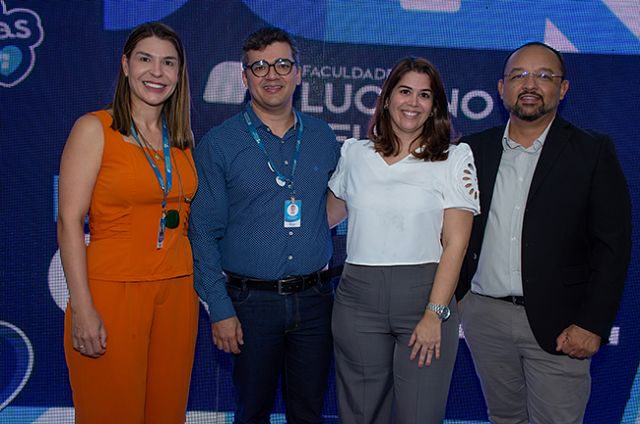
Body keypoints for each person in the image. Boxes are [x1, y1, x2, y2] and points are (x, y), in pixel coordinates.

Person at [456, 42, 632, 424]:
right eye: (519, 75)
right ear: (501, 88)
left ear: (562, 89)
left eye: (544, 76)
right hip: (484, 317)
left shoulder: (592, 151)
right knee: (504, 418)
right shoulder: (472, 150)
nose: (530, 84)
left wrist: (592, 323)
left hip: (562, 324)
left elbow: (613, 246)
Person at [189, 27, 340, 423]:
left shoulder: (323, 138)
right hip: (249, 305)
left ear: (298, 73)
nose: (271, 75)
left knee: (309, 413)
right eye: (259, 67)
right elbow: (202, 233)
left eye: (282, 64)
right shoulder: (219, 144)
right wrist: (219, 308)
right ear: (245, 77)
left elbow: (339, 201)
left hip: (315, 302)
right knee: (251, 412)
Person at [58, 22, 198, 423]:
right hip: (112, 294)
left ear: (179, 73)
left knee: (167, 414)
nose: (157, 72)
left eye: (168, 62)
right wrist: (83, 308)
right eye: (145, 59)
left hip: (177, 294)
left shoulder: (181, 140)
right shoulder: (94, 129)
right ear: (125, 65)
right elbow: (69, 221)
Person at [327, 57, 480, 423]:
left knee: (419, 415)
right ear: (387, 98)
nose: (413, 102)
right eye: (405, 91)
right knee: (360, 415)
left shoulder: (454, 158)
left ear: (435, 106)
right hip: (357, 301)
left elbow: (456, 245)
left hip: (425, 300)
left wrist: (434, 314)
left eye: (424, 95)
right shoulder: (354, 154)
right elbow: (322, 222)